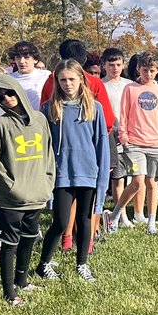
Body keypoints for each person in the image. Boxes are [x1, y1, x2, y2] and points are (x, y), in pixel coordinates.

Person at [36, 61, 110, 283]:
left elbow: (101, 144)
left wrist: (102, 177)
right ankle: (43, 264)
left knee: (85, 220)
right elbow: (44, 146)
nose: (68, 84)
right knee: (60, 222)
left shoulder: (94, 107)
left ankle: (82, 264)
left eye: (72, 79)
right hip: (62, 174)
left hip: (87, 173)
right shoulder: (49, 108)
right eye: (63, 80)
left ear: (81, 80)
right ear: (56, 82)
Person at [0, 75, 56, 305]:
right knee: (10, 244)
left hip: (37, 193)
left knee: (29, 238)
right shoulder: (1, 125)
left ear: (17, 90)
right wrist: (10, 186)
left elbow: (48, 153)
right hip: (12, 198)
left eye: (9, 93)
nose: (6, 99)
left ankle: (22, 281)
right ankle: (9, 293)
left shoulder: (40, 119)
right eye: (0, 97)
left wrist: (48, 181)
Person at [111, 53, 158, 235]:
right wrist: (124, 135)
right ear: (138, 69)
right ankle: (115, 215)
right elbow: (124, 113)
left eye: (152, 71)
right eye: (145, 70)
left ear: (157, 70)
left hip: (157, 143)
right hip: (135, 143)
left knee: (152, 183)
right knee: (137, 182)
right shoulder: (130, 89)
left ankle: (151, 221)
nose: (148, 74)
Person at [101, 46, 135, 226]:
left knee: (128, 177)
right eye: (111, 64)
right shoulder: (100, 86)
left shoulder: (129, 85)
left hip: (128, 135)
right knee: (115, 178)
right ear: (104, 65)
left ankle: (126, 214)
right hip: (108, 136)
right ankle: (117, 214)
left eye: (118, 64)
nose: (115, 68)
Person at [7, 41, 50, 111]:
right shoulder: (9, 80)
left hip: (43, 116)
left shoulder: (46, 76)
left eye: (26, 57)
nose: (21, 61)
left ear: (35, 59)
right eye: (18, 57)